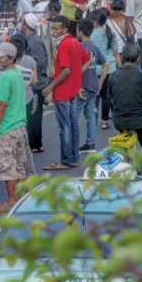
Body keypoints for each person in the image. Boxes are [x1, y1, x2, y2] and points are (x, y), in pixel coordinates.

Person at [42, 15, 90, 170]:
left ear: (64, 29)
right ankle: (73, 158)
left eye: (56, 29)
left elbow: (66, 71)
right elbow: (87, 60)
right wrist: (77, 75)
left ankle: (66, 160)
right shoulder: (75, 41)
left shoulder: (63, 45)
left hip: (62, 92)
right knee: (73, 125)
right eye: (53, 28)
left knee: (65, 127)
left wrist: (50, 87)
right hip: (72, 90)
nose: (54, 31)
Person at [0, 43, 28, 214]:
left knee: (7, 166)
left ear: (11, 58)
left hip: (7, 126)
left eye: (1, 56)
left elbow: (2, 103)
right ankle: (18, 200)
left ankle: (12, 201)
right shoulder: (18, 73)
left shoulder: (5, 77)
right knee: (19, 164)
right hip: (20, 124)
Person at [76, 18, 108, 153]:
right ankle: (90, 143)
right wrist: (100, 83)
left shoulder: (79, 47)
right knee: (90, 116)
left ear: (81, 31)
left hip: (82, 86)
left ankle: (73, 144)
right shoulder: (94, 47)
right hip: (94, 84)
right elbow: (106, 64)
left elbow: (76, 69)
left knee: (74, 116)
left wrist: (76, 86)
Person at [23, 13, 49, 153]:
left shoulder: (34, 42)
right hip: (34, 84)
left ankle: (35, 143)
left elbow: (40, 62)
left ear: (26, 24)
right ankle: (34, 142)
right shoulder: (31, 40)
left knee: (34, 114)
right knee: (32, 114)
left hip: (36, 85)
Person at [90, 9, 118, 130]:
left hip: (93, 68)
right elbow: (116, 53)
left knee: (94, 95)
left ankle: (92, 119)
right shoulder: (110, 33)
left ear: (95, 21)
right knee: (106, 96)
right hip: (110, 68)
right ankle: (104, 121)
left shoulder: (90, 34)